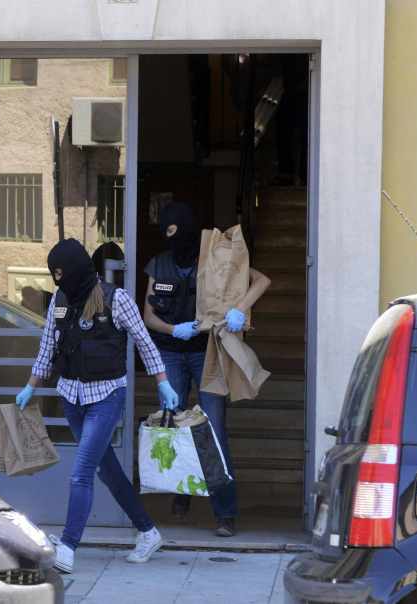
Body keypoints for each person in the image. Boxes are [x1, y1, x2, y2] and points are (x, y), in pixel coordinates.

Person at [15, 238, 180, 574]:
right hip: (71, 397)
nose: (57, 279)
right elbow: (47, 347)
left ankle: (69, 545)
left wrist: (163, 381)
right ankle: (148, 531)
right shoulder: (59, 301)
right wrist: (30, 387)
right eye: (53, 273)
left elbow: (145, 345)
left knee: (82, 473)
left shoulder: (116, 299)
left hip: (106, 397)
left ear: (75, 269)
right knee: (107, 470)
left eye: (60, 272)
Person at [141, 201, 271, 538]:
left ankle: (225, 513)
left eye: (178, 231)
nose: (174, 239)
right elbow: (148, 315)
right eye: (168, 232)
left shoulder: (215, 257)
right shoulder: (160, 264)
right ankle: (182, 494)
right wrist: (173, 330)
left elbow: (261, 280)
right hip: (171, 353)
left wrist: (240, 310)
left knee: (213, 430)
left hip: (207, 353)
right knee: (173, 425)